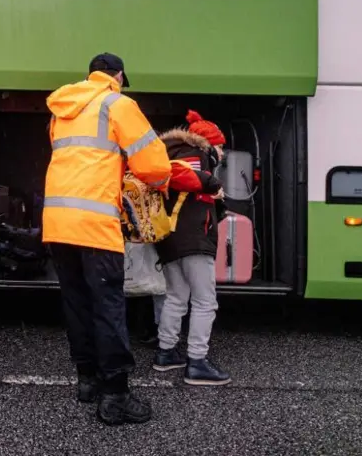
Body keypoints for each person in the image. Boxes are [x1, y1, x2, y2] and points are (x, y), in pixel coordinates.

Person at [43, 53, 171, 426]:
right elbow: (154, 165)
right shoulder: (118, 103)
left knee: (78, 304)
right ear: (117, 75)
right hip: (95, 222)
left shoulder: (61, 108)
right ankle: (115, 395)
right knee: (108, 306)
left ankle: (88, 382)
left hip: (57, 220)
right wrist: (157, 181)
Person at [154, 111, 232, 386]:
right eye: (220, 146)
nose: (221, 153)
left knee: (176, 296)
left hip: (170, 237)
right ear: (208, 142)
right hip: (193, 237)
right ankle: (197, 362)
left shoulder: (170, 151)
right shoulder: (194, 153)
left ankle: (166, 352)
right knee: (204, 300)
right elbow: (184, 177)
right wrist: (214, 185)